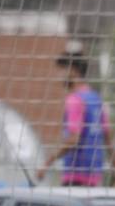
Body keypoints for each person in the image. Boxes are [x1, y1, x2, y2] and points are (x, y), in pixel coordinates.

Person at [38, 47, 111, 186]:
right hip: (94, 175)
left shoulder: (75, 99)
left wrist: (47, 163)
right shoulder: (96, 98)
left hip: (76, 175)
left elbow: (73, 139)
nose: (59, 76)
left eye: (62, 71)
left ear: (73, 71)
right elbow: (107, 135)